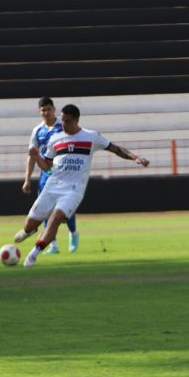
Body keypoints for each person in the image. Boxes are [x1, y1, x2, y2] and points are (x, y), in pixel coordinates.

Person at [14, 104, 149, 268]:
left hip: (73, 189)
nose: (63, 124)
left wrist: (135, 157)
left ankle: (34, 253)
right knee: (29, 224)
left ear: (76, 120)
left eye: (67, 121)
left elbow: (115, 149)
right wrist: (36, 157)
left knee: (55, 219)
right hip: (52, 186)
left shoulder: (91, 136)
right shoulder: (55, 139)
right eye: (62, 120)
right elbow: (47, 166)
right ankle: (30, 231)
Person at [21, 97, 80, 254]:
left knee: (65, 210)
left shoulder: (63, 127)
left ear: (54, 109)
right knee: (46, 210)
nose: (46, 112)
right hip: (46, 175)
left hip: (64, 173)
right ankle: (52, 245)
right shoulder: (37, 131)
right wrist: (27, 179)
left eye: (48, 109)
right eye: (43, 110)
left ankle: (73, 233)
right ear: (39, 112)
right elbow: (32, 155)